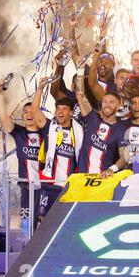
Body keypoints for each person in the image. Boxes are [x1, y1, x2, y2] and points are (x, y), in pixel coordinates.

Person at [32, 77, 84, 218]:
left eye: (64, 109)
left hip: (70, 185)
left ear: (71, 112)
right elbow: (35, 110)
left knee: (67, 220)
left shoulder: (80, 131)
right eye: (58, 109)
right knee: (44, 219)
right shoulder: (50, 127)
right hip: (50, 182)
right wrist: (40, 89)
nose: (60, 112)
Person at [0, 80, 42, 232]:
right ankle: (27, 253)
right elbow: (4, 118)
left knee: (44, 225)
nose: (29, 114)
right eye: (25, 112)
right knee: (27, 226)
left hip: (45, 188)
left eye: (32, 111)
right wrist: (0, 94)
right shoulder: (20, 133)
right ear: (22, 116)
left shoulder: (47, 133)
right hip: (26, 188)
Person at [74, 72, 127, 177]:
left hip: (101, 182)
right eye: (105, 102)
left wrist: (112, 169)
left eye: (112, 102)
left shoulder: (121, 129)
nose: (107, 105)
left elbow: (124, 156)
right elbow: (80, 94)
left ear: (118, 105)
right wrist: (80, 70)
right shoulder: (92, 117)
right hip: (81, 179)